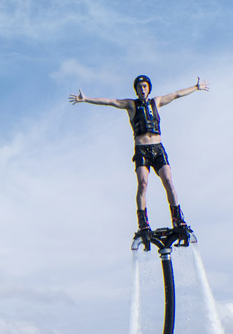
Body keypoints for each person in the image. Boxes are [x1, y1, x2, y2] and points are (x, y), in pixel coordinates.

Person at [68, 75, 209, 235]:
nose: (142, 89)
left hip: (158, 149)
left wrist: (195, 87)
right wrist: (86, 99)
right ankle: (143, 222)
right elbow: (110, 101)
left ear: (148, 88)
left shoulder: (157, 102)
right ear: (136, 89)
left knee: (168, 180)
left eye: (144, 86)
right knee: (142, 183)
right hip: (142, 150)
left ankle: (177, 217)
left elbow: (177, 94)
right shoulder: (131, 104)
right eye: (139, 87)